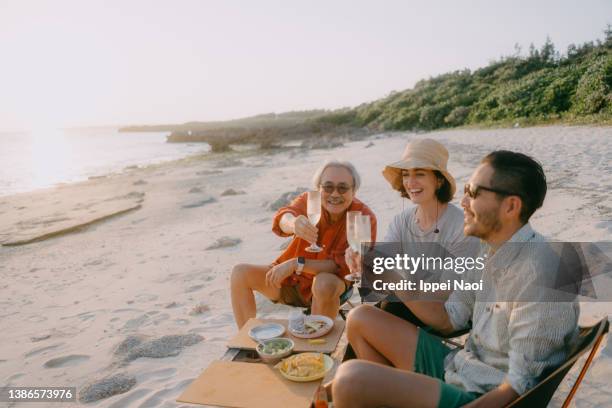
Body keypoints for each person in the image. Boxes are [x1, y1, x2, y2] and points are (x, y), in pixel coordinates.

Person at [332, 151, 579, 408]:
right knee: (361, 318)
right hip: (460, 367)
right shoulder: (488, 251)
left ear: (511, 206)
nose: (462, 201)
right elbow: (450, 319)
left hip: (480, 395)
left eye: (473, 193)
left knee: (350, 380)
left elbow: (518, 388)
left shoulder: (544, 274)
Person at [230, 160, 377, 329]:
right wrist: (293, 223)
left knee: (324, 282)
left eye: (343, 188)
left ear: (354, 190)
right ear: (319, 188)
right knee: (239, 273)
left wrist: (296, 264)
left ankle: (315, 348)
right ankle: (246, 340)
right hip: (289, 280)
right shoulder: (310, 201)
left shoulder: (364, 217)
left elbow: (341, 267)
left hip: (329, 286)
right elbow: (282, 217)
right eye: (328, 187)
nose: (335, 194)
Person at [346, 138, 479, 320]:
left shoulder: (461, 226)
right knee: (367, 313)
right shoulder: (402, 221)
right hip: (407, 303)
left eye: (420, 174)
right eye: (406, 174)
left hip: (447, 312)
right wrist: (364, 257)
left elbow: (450, 291)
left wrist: (397, 282)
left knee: (375, 314)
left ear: (439, 180)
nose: (410, 182)